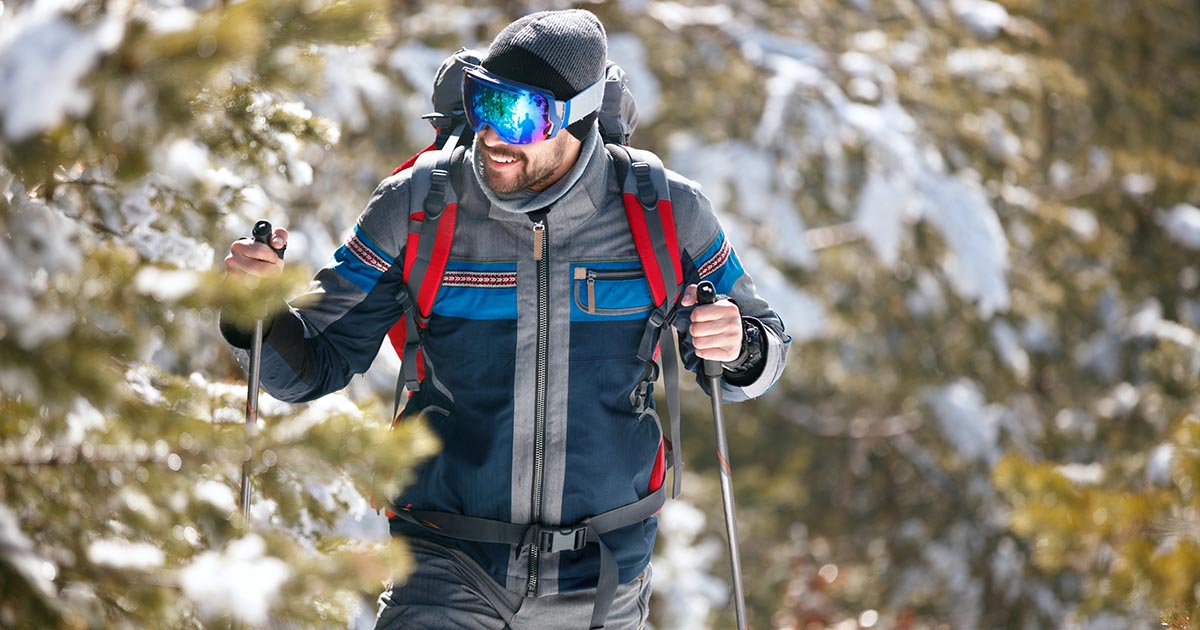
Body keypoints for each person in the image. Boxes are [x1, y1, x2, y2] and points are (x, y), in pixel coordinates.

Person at [222, 9, 789, 629]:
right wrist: (256, 314)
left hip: (603, 576)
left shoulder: (663, 210)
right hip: (447, 562)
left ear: (576, 116)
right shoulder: (419, 205)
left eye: (521, 115)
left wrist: (738, 344)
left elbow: (764, 346)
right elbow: (311, 364)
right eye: (484, 102)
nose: (493, 134)